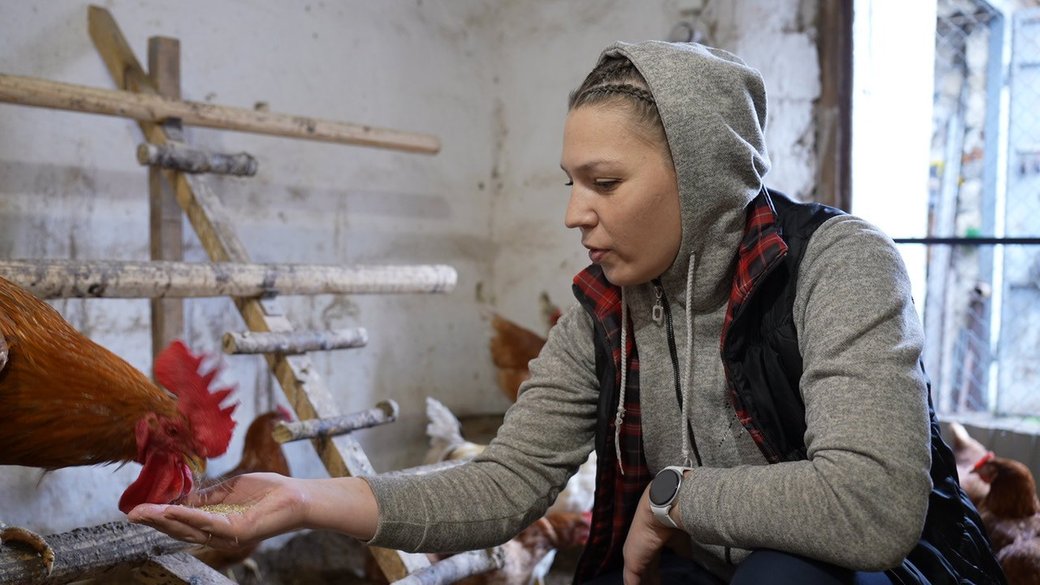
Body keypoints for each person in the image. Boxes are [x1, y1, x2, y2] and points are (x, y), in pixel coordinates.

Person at [129, 41, 1005, 584]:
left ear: (701, 178)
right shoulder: (607, 306)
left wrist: (674, 496)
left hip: (883, 573)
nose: (573, 212)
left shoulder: (839, 263)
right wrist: (300, 498)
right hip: (707, 564)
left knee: (784, 572)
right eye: (570, 181)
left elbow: (873, 504)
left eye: (604, 182)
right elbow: (506, 482)